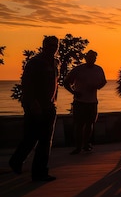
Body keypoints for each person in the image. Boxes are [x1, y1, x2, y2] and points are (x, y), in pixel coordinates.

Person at [9, 36, 60, 182]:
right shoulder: (35, 62)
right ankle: (22, 164)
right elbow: (27, 83)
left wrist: (53, 102)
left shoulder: (55, 62)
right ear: (44, 45)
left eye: (55, 45)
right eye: (50, 45)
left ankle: (37, 170)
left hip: (50, 106)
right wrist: (32, 103)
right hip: (36, 106)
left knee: (44, 140)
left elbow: (54, 84)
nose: (53, 47)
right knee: (32, 137)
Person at [64, 49, 107, 155]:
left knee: (90, 124)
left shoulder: (99, 69)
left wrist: (98, 86)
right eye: (90, 57)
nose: (92, 59)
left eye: (94, 57)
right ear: (86, 58)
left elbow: (103, 82)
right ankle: (78, 147)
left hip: (92, 102)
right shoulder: (78, 70)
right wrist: (73, 92)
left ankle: (86, 144)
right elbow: (66, 82)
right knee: (79, 125)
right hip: (80, 102)